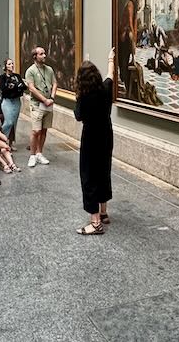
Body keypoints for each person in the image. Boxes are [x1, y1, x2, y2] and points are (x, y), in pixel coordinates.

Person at [73, 48, 115, 235]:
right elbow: (110, 74)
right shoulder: (105, 89)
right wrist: (110, 58)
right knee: (103, 172)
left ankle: (95, 222)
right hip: (106, 136)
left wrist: (78, 97)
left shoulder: (84, 97)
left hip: (91, 139)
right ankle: (104, 212)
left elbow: (78, 116)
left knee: (89, 176)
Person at [24, 46, 56, 168]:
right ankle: (32, 155)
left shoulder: (49, 69)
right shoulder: (30, 71)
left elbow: (54, 83)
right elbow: (31, 88)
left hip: (48, 104)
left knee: (44, 130)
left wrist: (51, 98)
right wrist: (44, 99)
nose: (44, 56)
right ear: (35, 56)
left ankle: (39, 153)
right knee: (36, 130)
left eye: (44, 53)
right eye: (41, 54)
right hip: (37, 104)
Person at [0, 58, 27, 151]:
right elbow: (4, 89)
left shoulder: (17, 76)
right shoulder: (2, 77)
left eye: (12, 63)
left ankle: (11, 142)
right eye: (9, 64)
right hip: (7, 101)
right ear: (5, 66)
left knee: (14, 123)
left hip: (16, 100)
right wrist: (14, 87)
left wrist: (15, 87)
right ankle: (2, 140)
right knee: (8, 122)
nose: (11, 65)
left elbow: (23, 86)